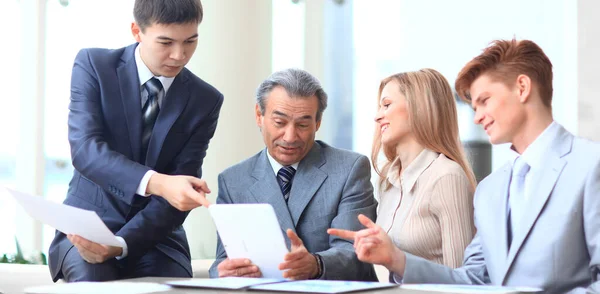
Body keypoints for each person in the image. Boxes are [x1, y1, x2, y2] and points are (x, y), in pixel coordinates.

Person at [329, 39, 600, 293]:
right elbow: (470, 280)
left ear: (522, 88)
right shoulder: (490, 190)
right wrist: (397, 260)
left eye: (484, 101)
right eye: (474, 106)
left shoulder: (590, 166)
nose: (478, 118)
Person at [48, 0, 223, 282]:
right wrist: (159, 183)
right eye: (165, 42)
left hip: (157, 237)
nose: (179, 55)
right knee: (94, 285)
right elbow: (86, 151)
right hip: (87, 228)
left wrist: (122, 244)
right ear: (136, 31)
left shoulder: (206, 100)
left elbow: (178, 192)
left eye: (191, 41)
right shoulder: (94, 65)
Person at [208, 68, 378, 281]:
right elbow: (223, 259)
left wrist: (316, 264)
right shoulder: (233, 181)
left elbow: (357, 252)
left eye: (303, 125)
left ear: (317, 123)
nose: (290, 137)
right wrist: (224, 271)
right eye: (279, 123)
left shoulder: (349, 168)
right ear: (259, 116)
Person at [365, 68, 476, 271]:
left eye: (387, 105)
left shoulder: (447, 176)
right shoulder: (387, 181)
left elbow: (462, 281)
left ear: (419, 108)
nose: (378, 116)